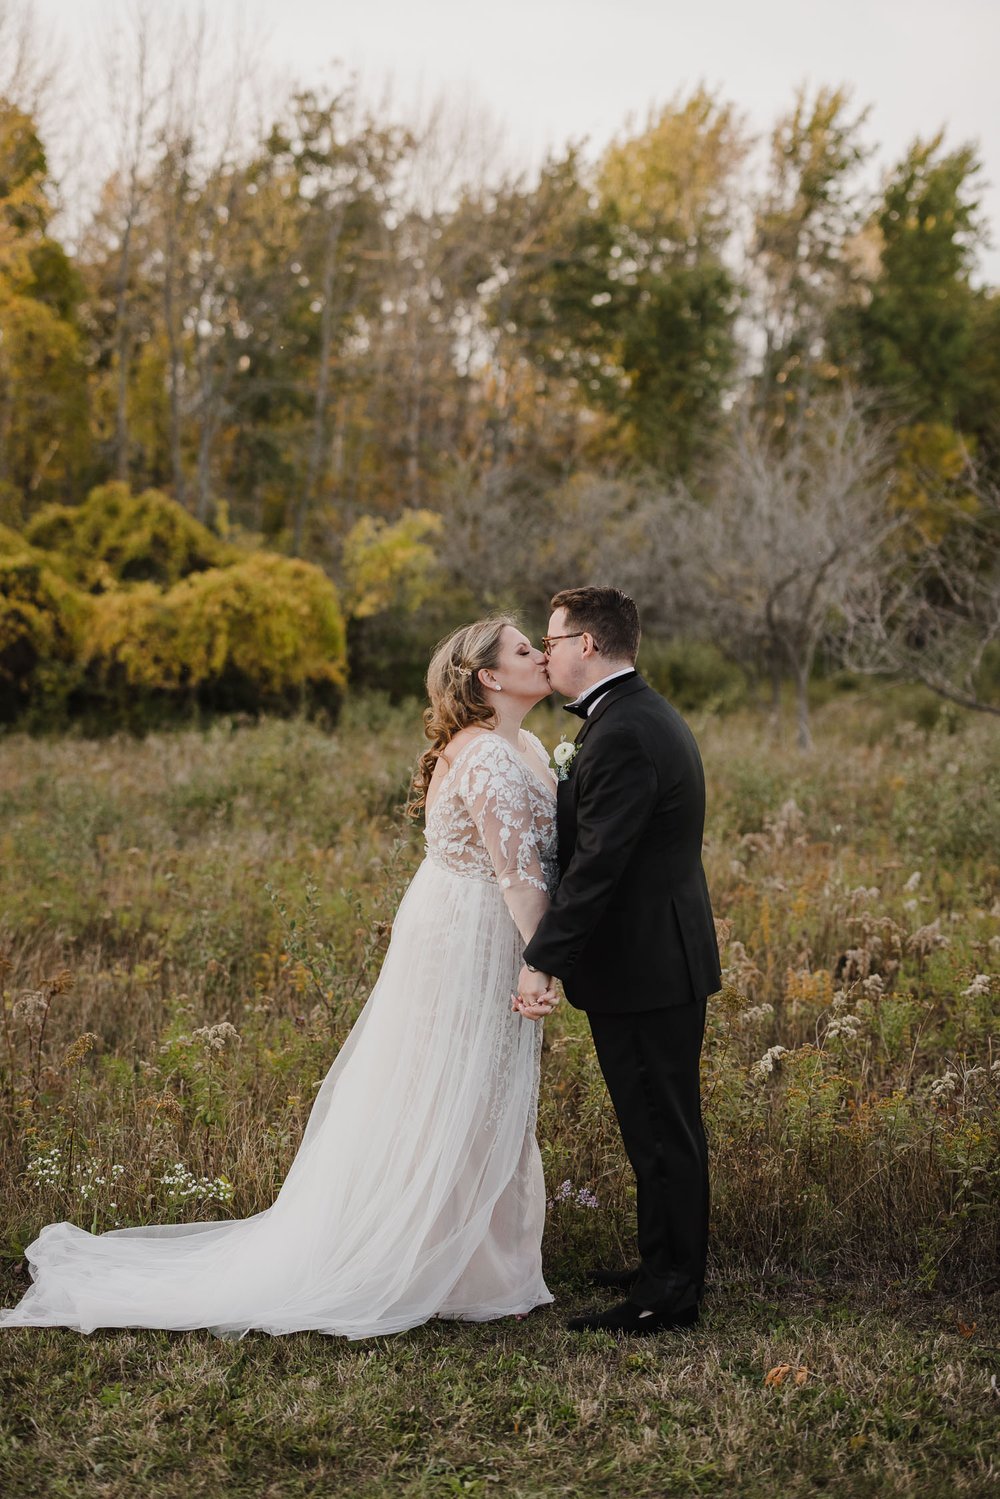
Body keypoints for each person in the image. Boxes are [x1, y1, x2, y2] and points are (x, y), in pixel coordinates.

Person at [0, 618, 561, 1340]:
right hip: (471, 934)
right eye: (524, 650)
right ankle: (441, 1262)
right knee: (451, 1084)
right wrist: (539, 963)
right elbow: (518, 877)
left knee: (483, 1085)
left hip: (481, 923)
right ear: (488, 677)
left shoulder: (532, 748)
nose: (541, 656)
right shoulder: (483, 756)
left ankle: (481, 1262)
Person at [517, 586, 721, 1336]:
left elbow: (600, 865)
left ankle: (668, 1293)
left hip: (646, 967)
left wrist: (543, 957)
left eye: (553, 639)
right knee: (659, 1125)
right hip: (656, 958)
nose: (547, 653)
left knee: (661, 1128)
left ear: (588, 645)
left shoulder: (625, 731)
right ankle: (663, 1262)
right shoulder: (633, 715)